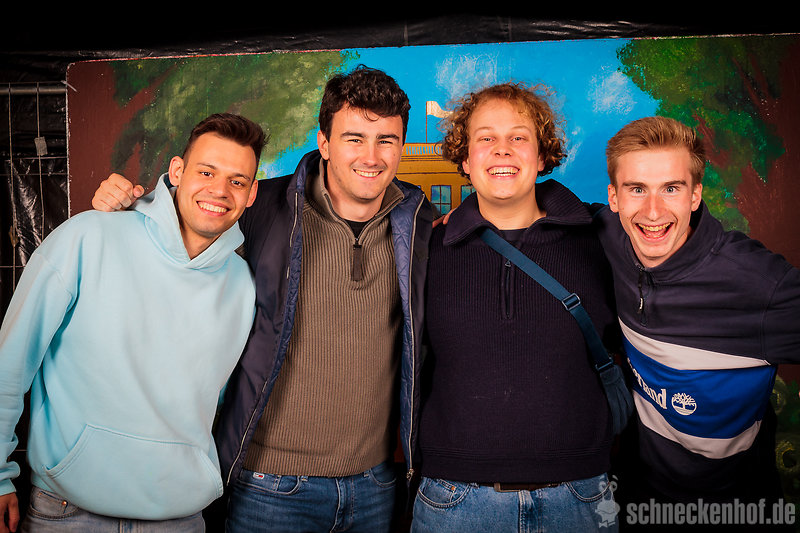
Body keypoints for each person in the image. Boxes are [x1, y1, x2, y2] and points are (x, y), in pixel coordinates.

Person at [90, 65, 433, 533]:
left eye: (386, 141)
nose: (371, 157)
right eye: (354, 139)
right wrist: (131, 203)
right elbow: (189, 219)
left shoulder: (419, 224)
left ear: (402, 146)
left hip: (374, 487)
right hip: (268, 486)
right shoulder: (263, 206)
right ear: (324, 143)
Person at [0, 113, 263, 532]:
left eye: (237, 180)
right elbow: (9, 364)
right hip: (67, 512)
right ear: (176, 171)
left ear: (251, 194)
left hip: (178, 518)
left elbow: (217, 402)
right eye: (206, 171)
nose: (219, 190)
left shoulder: (242, 286)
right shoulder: (87, 237)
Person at [412, 82, 620, 532]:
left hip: (581, 494)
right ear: (465, 160)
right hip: (454, 498)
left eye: (518, 137)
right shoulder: (425, 248)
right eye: (485, 137)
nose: (502, 149)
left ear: (542, 156)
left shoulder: (601, 238)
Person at [594, 116, 800, 529]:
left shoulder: (761, 287)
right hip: (635, 504)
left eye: (671, 188)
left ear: (695, 196)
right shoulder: (606, 236)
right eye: (637, 189)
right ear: (614, 198)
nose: (653, 211)